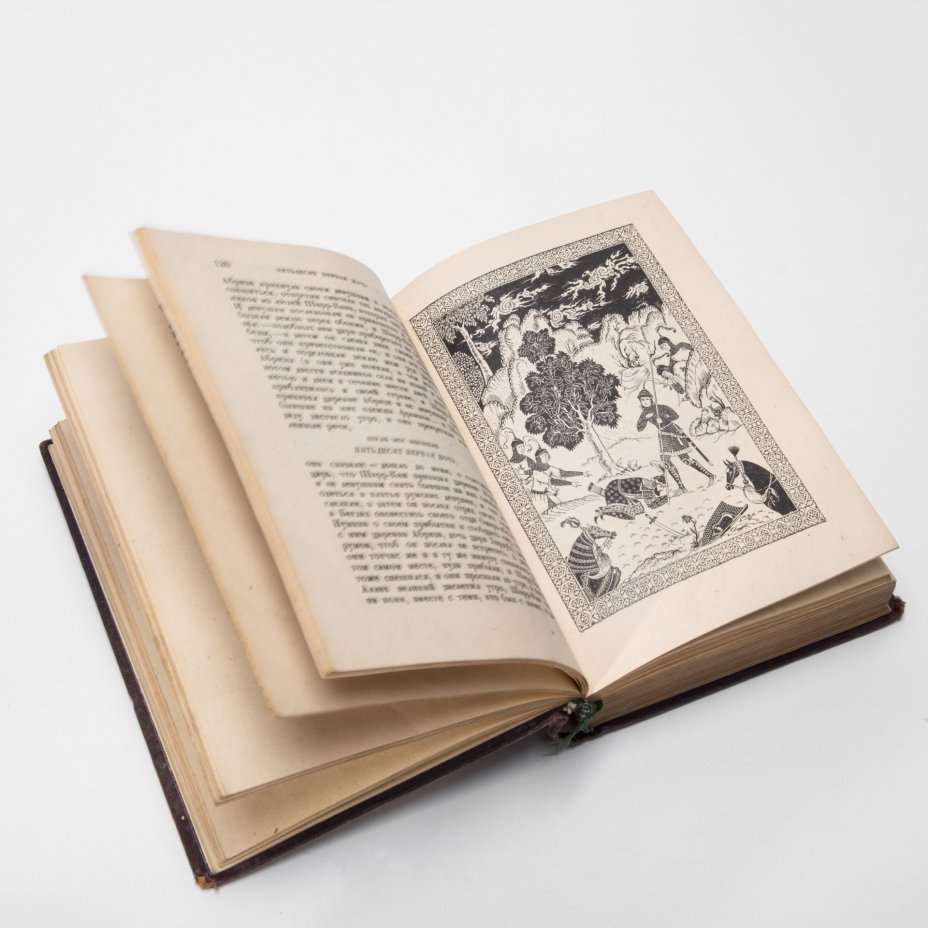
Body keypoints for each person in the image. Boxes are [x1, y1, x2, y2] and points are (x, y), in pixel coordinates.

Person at [636, 388, 714, 492]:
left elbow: (675, 416)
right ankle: (682, 488)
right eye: (643, 400)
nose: (645, 402)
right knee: (666, 461)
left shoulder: (661, 407)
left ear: (651, 399)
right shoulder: (644, 413)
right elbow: (639, 428)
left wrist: (663, 419)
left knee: (685, 459)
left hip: (672, 432)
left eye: (647, 399)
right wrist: (645, 418)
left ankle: (710, 476)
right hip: (662, 436)